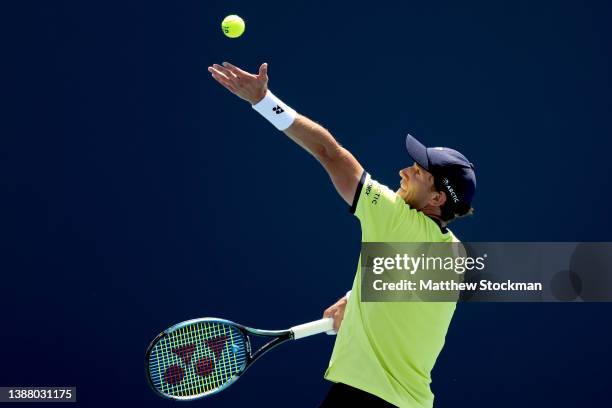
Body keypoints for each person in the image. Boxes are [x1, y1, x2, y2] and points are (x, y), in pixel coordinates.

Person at [208, 61, 477, 407]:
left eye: (417, 171)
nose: (403, 171)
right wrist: (355, 298)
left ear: (438, 198)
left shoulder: (395, 219)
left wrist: (263, 100)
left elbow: (330, 154)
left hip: (364, 399)